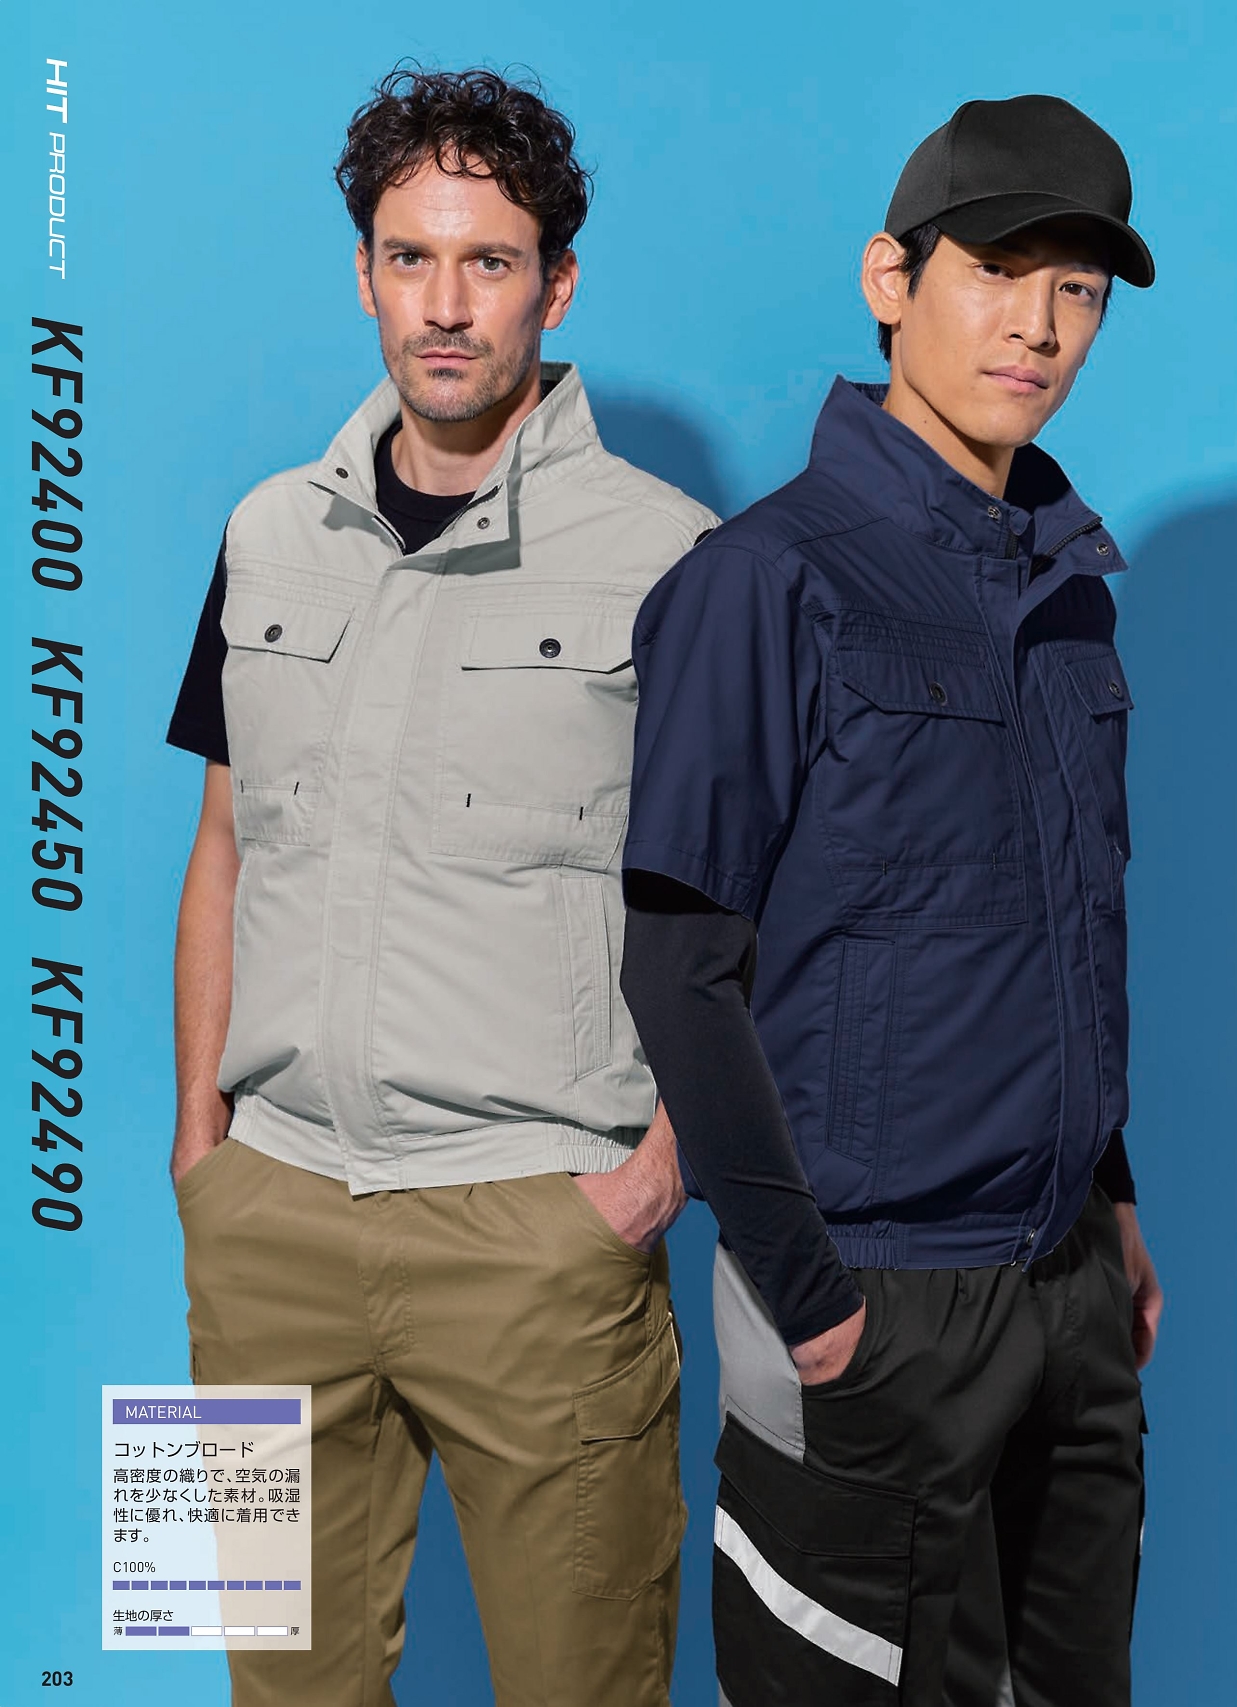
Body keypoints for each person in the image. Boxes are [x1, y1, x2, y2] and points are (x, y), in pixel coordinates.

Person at [166, 65, 712, 1707]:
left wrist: (651, 1177)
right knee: (265, 1686)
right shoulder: (265, 533)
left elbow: (751, 897)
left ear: (558, 283)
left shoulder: (680, 558)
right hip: (265, 1228)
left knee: (584, 1686)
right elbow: (226, 841)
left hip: (537, 1233)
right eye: (411, 258)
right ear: (364, 274)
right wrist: (201, 1155)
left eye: (490, 262)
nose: (447, 305)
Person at [620, 94, 1163, 1706]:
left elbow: (1067, 925)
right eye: (997, 270)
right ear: (891, 278)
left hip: (1071, 1291)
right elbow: (677, 968)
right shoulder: (764, 580)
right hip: (874, 1301)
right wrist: (808, 1299)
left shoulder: (1071, 600)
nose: (1039, 326)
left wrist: (1113, 1201)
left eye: (1078, 289)